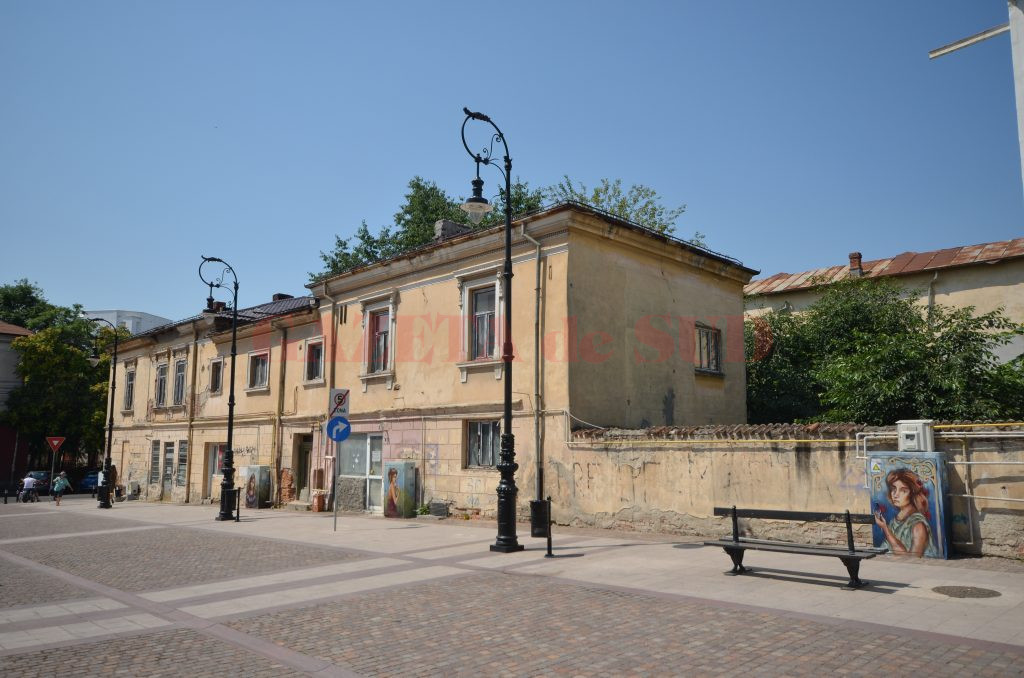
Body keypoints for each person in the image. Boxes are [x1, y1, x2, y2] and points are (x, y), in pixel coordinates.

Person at [874, 468, 938, 558]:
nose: (895, 494)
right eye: (893, 489)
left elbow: (912, 558)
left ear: (912, 494)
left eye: (903, 490)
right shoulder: (895, 521)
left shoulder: (918, 525)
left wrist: (885, 528)